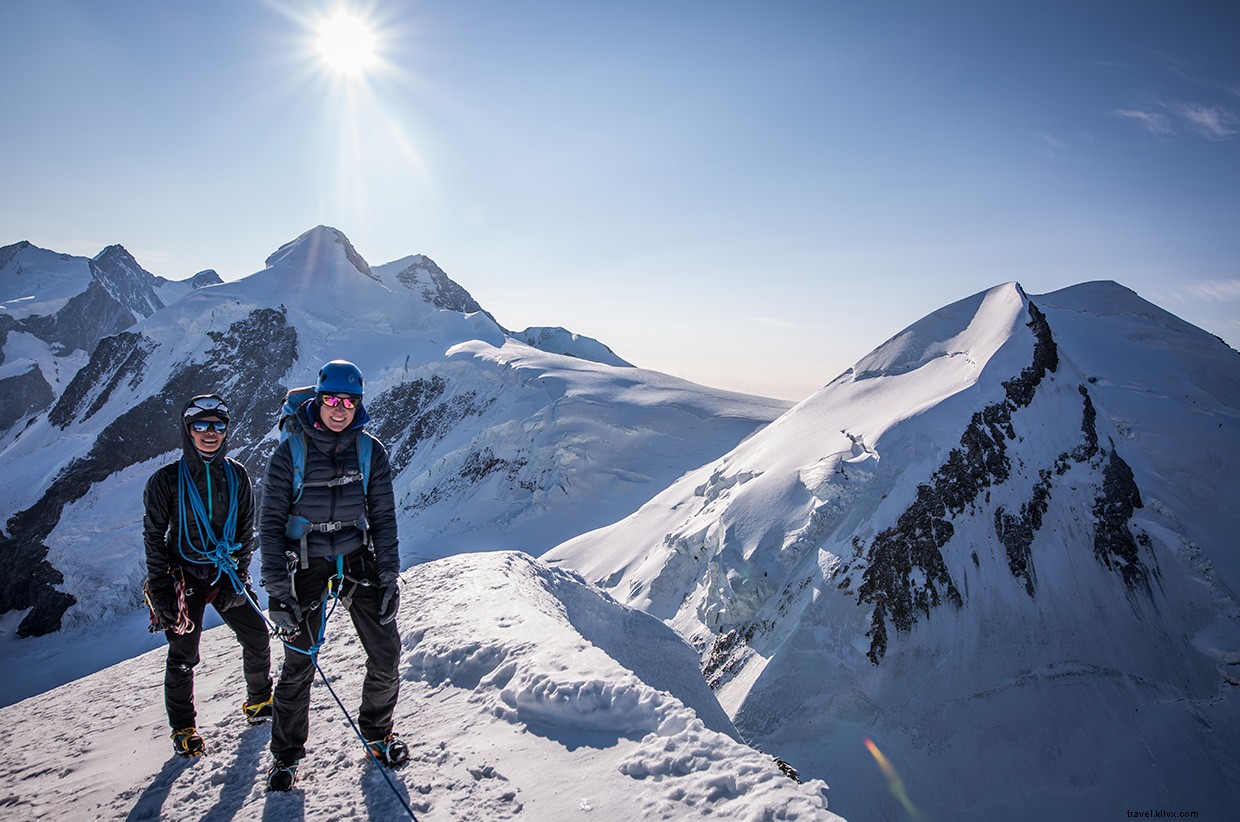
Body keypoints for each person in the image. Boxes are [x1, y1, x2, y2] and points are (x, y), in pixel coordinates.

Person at [260, 360, 406, 792]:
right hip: (305, 560)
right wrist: (278, 592)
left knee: (386, 652)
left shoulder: (370, 451)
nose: (339, 409)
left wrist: (389, 576)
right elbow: (270, 524)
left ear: (358, 404)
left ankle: (377, 733)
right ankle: (286, 756)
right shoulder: (290, 452)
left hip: (355, 556)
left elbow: (383, 518)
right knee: (299, 662)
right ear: (318, 400)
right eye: (332, 400)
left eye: (348, 402)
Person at [143, 394, 273, 757]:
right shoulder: (166, 480)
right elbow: (154, 536)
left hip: (225, 571)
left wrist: (240, 574)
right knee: (184, 654)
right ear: (188, 431)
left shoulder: (237, 475)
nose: (210, 433)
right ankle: (183, 728)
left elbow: (245, 529)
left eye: (218, 425)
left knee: (257, 635)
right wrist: (161, 588)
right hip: (184, 574)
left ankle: (260, 701)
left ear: (226, 430)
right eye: (201, 426)